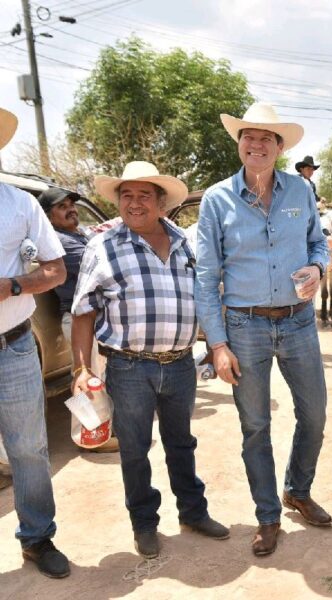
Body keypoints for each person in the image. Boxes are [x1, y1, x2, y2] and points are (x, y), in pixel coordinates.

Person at [71, 161, 229, 559]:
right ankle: (144, 523)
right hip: (128, 367)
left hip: (179, 364)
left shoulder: (186, 243)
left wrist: (214, 344)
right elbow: (83, 312)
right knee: (135, 450)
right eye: (127, 195)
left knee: (182, 443)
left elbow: (205, 299)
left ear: (161, 203)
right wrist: (81, 368)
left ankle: (193, 511)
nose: (134, 203)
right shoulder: (102, 246)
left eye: (144, 195)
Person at [195, 102, 330, 557]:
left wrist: (317, 267)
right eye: (248, 136)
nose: (256, 144)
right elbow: (206, 275)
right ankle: (268, 515)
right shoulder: (217, 199)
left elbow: (318, 242)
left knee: (314, 415)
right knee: (256, 425)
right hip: (243, 325)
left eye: (266, 138)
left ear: (279, 146)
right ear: (240, 144)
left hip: (298, 321)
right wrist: (217, 344)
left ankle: (298, 489)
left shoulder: (301, 192)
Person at [0, 106, 70, 578]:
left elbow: (55, 269)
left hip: (14, 345)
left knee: (28, 448)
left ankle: (38, 538)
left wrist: (11, 287)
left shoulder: (19, 204)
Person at [37, 187, 120, 452]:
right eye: (62, 207)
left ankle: (99, 433)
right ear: (49, 217)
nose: (71, 209)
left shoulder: (79, 234)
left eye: (71, 204)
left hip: (94, 319)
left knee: (98, 380)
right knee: (88, 380)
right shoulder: (59, 242)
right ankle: (92, 440)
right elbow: (105, 265)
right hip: (80, 320)